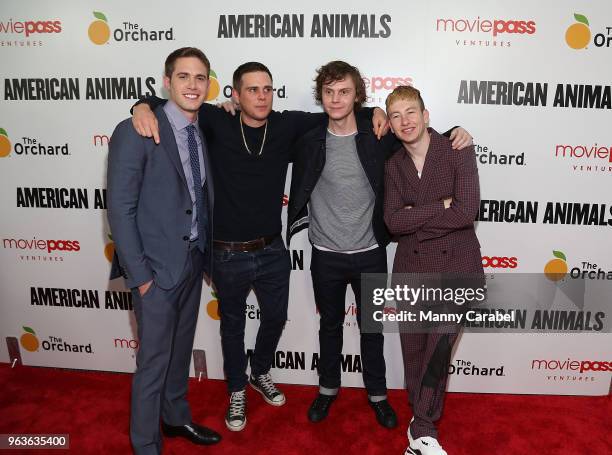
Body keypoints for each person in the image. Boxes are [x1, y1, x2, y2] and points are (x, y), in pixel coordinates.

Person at [130, 62, 388, 432]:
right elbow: (171, 105)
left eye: (267, 89)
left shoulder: (286, 125)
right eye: (252, 90)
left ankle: (260, 371)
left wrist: (374, 111)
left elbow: (339, 109)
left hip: (271, 250)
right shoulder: (215, 121)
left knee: (276, 317)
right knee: (232, 326)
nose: (261, 96)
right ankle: (237, 388)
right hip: (226, 251)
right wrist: (140, 105)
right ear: (234, 95)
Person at [287, 61, 473, 430]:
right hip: (325, 255)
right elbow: (262, 121)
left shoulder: (378, 134)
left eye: (344, 91)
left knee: (372, 328)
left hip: (370, 252)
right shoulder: (309, 138)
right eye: (329, 92)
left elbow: (418, 134)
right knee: (330, 329)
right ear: (320, 96)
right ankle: (327, 390)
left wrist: (454, 131)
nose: (336, 99)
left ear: (357, 95)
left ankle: (378, 396)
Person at [107, 47, 221, 455]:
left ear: (209, 84)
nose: (193, 85)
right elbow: (120, 209)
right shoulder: (135, 129)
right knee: (153, 364)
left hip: (191, 262)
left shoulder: (200, 128)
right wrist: (141, 279)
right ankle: (145, 445)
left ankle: (175, 419)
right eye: (184, 76)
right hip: (154, 272)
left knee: (178, 354)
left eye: (200, 78)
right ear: (167, 81)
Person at [383, 85, 484, 455]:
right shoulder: (393, 165)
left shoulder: (457, 148)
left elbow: (466, 210)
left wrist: (416, 214)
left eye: (411, 112)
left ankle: (424, 429)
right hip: (410, 268)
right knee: (413, 350)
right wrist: (439, 204)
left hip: (457, 266)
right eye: (396, 116)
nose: (405, 121)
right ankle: (419, 420)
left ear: (426, 116)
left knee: (438, 349)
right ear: (391, 125)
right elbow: (393, 222)